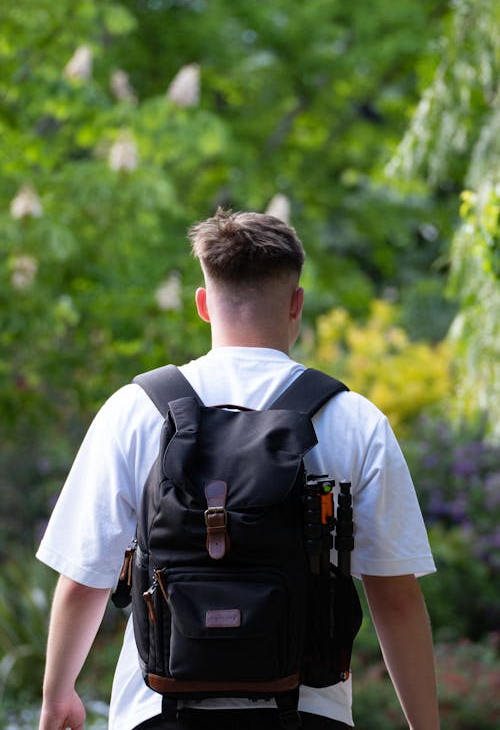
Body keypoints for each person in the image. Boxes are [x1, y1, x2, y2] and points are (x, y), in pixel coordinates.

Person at [37, 208, 440, 730]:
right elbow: (397, 600)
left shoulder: (135, 410)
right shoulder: (353, 420)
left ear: (203, 305)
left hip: (156, 713)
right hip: (308, 714)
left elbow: (83, 579)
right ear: (297, 303)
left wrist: (57, 696)